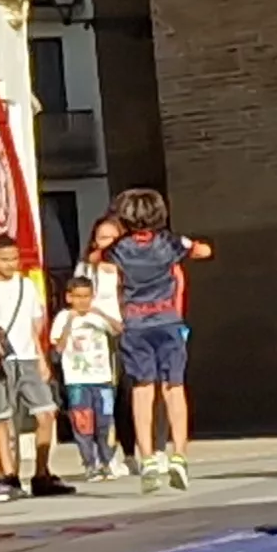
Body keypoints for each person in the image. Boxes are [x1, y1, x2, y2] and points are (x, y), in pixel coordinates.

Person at [107, 188, 211, 491]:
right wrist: (192, 245)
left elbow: (98, 257)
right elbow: (202, 251)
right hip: (168, 320)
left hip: (135, 322)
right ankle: (178, 454)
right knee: (174, 388)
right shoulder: (170, 243)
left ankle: (148, 456)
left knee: (142, 390)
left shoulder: (120, 247)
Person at [0, 234, 70, 497]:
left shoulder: (26, 286)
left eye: (14, 258)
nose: (11, 264)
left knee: (46, 412)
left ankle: (41, 472)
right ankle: (10, 473)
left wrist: (41, 359)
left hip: (28, 358)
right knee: (4, 418)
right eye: (5, 259)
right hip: (1, 359)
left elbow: (34, 324)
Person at [50, 273, 124, 481]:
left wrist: (101, 313)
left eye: (87, 296)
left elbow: (120, 330)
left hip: (103, 379)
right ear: (69, 297)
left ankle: (106, 461)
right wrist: (68, 324)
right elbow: (58, 347)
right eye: (78, 296)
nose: (82, 301)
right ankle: (90, 463)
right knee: (83, 424)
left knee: (104, 422)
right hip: (77, 380)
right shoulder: (63, 317)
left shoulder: (97, 317)